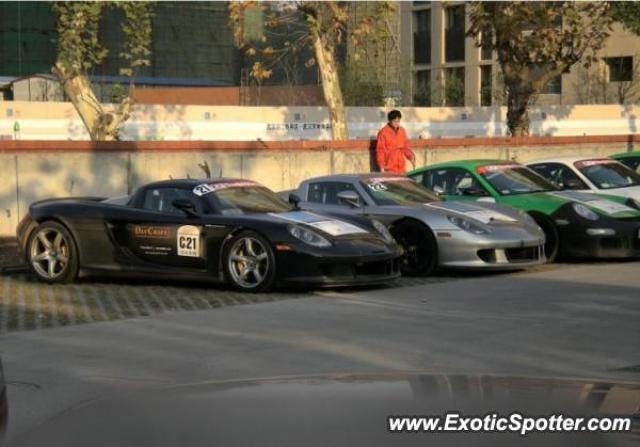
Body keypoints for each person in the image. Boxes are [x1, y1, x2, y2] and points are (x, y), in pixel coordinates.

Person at [375, 110, 416, 174]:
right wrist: (381, 166)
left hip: (401, 167)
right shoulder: (383, 133)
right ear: (390, 121)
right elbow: (380, 150)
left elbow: (406, 147)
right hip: (389, 168)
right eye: (395, 121)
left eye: (398, 121)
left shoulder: (402, 131)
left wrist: (411, 157)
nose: (397, 123)